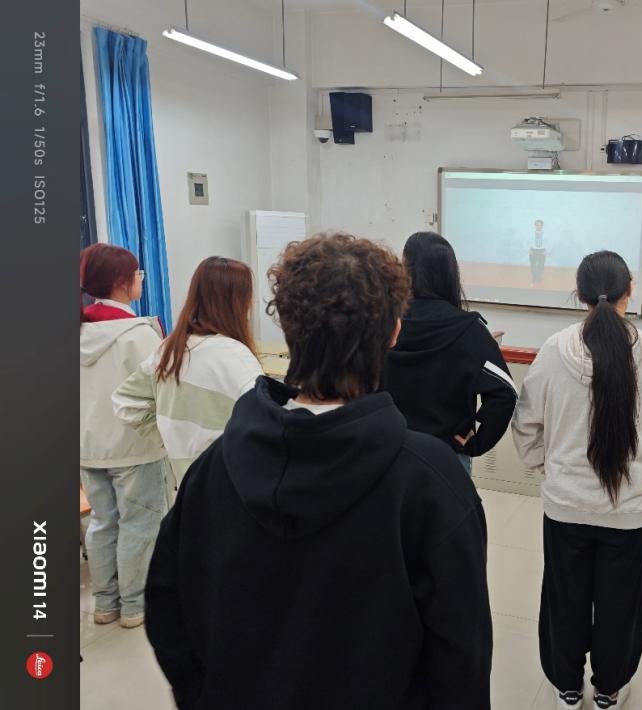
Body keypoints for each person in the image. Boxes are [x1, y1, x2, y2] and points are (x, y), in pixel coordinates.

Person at [145, 233, 492, 710]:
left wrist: (204, 695)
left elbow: (166, 602)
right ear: (394, 332)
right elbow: (462, 653)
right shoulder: (432, 483)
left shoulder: (214, 466)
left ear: (287, 327)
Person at [512, 251, 642, 710]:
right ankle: (608, 690)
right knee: (620, 603)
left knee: (564, 599)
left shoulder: (553, 350)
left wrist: (546, 466)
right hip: (629, 512)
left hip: (564, 507)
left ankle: (566, 688)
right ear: (630, 290)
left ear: (579, 293)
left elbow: (525, 424)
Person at [113, 257, 264, 501]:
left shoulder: (168, 350)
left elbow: (126, 402)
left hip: (185, 485)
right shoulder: (236, 357)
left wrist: (169, 437)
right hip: (231, 488)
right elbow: (265, 432)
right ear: (239, 301)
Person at [79, 243, 167, 629]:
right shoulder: (137, 335)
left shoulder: (75, 330)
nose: (141, 280)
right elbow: (161, 389)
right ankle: (134, 606)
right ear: (121, 281)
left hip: (87, 447)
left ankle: (105, 604)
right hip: (135, 446)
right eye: (137, 274)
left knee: (102, 522)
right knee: (139, 524)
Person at [384, 232, 517, 475]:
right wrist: (478, 441)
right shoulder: (470, 330)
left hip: (389, 452)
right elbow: (505, 393)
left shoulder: (385, 324)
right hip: (447, 457)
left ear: (405, 271)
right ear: (450, 274)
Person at [528, 219, 547, 285]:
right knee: (533, 265)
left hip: (542, 251)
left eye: (540, 225)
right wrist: (528, 249)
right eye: (537, 225)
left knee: (541, 266)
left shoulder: (546, 234)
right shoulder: (530, 234)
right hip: (533, 250)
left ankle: (539, 277)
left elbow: (550, 243)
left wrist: (547, 251)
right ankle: (534, 277)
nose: (539, 226)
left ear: (542, 226)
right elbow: (525, 241)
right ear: (535, 226)